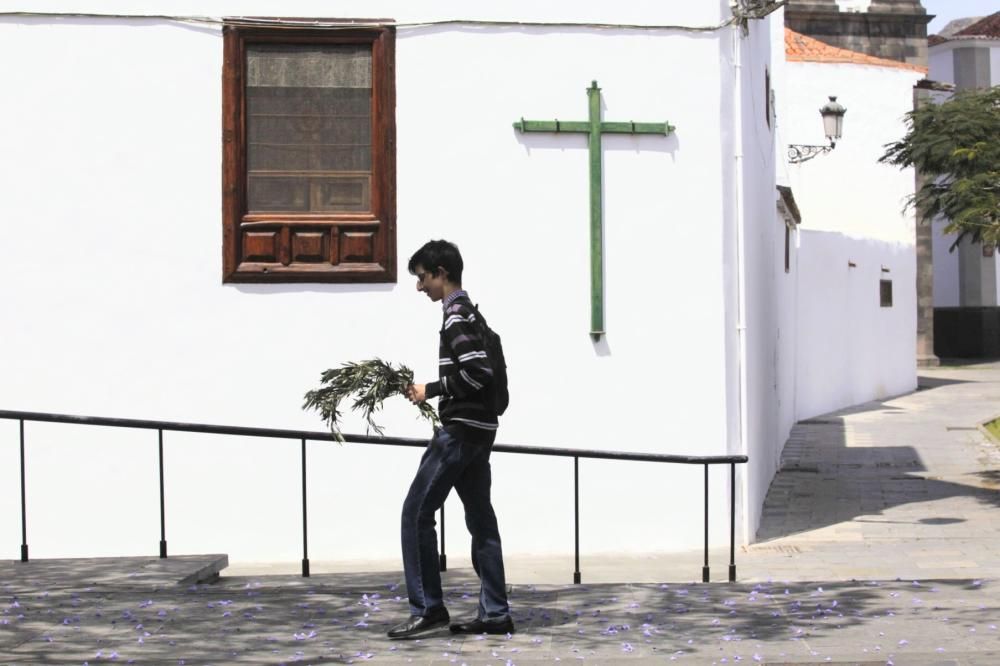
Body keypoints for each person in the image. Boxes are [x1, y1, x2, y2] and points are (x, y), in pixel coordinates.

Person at [386, 239, 515, 640]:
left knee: (416, 514)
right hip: (482, 432)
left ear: (442, 273)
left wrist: (431, 388)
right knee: (481, 522)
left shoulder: (456, 316)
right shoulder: (473, 313)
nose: (420, 286)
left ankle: (428, 608)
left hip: (460, 432)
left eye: (423, 278)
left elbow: (478, 372)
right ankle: (495, 613)